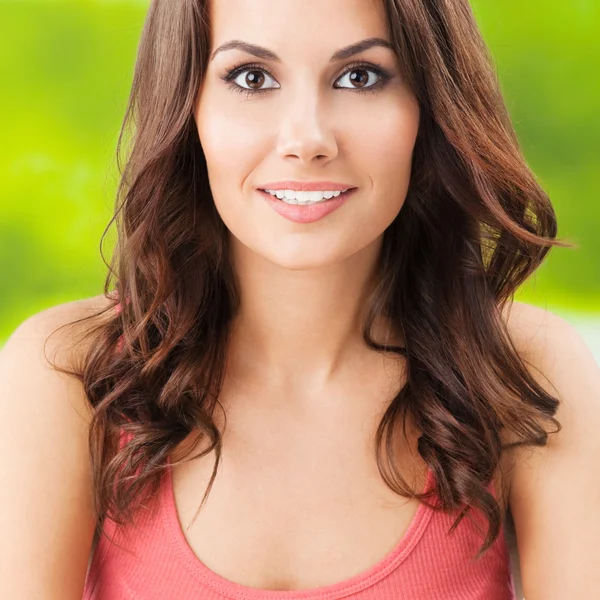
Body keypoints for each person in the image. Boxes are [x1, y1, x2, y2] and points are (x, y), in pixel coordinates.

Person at [1, 0, 599, 598]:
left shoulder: (526, 373)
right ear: (189, 107)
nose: (307, 139)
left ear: (430, 107)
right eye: (252, 78)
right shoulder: (68, 375)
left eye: (360, 76)